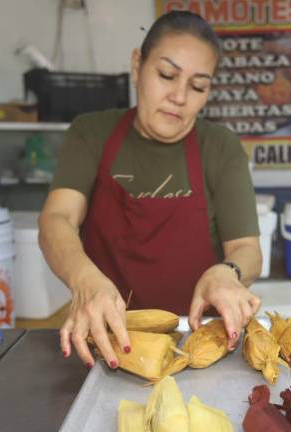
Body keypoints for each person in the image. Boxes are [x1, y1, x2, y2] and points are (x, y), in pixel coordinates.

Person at [39, 11, 262, 370]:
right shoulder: (91, 133)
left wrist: (228, 271)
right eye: (166, 75)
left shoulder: (220, 147)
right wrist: (84, 279)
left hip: (197, 347)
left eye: (198, 86)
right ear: (137, 65)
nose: (179, 96)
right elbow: (57, 218)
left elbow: (247, 248)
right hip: (107, 339)